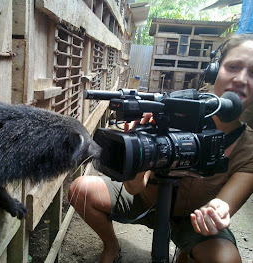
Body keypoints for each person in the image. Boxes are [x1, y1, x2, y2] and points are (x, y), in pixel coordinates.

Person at [69, 33, 253, 263]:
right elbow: (135, 188)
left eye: (252, 73)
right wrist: (136, 150)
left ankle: (186, 252)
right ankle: (111, 246)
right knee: (80, 190)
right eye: (233, 67)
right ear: (215, 71)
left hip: (193, 219)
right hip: (146, 200)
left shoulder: (249, 148)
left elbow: (224, 204)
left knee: (226, 260)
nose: (241, 79)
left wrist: (216, 211)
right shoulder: (176, 111)